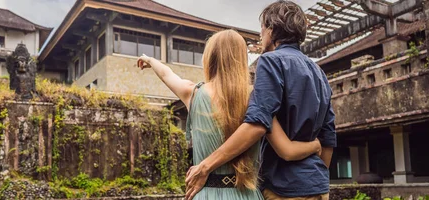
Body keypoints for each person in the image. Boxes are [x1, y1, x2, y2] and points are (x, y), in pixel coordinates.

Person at [136, 29, 322, 200]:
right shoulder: (257, 99)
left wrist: (151, 61)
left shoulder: (193, 93)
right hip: (246, 194)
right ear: (241, 59)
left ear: (210, 57)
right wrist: (314, 145)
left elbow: (168, 75)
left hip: (204, 193)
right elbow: (286, 150)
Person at [184, 1, 337, 200]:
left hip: (284, 188)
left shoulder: (271, 61)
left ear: (272, 30)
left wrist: (205, 166)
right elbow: (328, 136)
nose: (260, 35)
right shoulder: (319, 72)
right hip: (318, 188)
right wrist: (313, 178)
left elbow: (257, 123)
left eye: (262, 29)